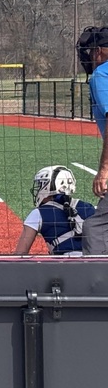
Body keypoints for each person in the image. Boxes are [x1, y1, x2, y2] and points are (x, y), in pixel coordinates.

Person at [14, 166, 94, 255]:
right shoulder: (88, 207)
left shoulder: (38, 213)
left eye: (41, 184)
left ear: (48, 186)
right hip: (95, 263)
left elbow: (19, 254)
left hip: (64, 266)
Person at [77, 26, 108, 254]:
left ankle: (95, 287)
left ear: (98, 51)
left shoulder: (101, 74)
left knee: (94, 228)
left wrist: (104, 170)